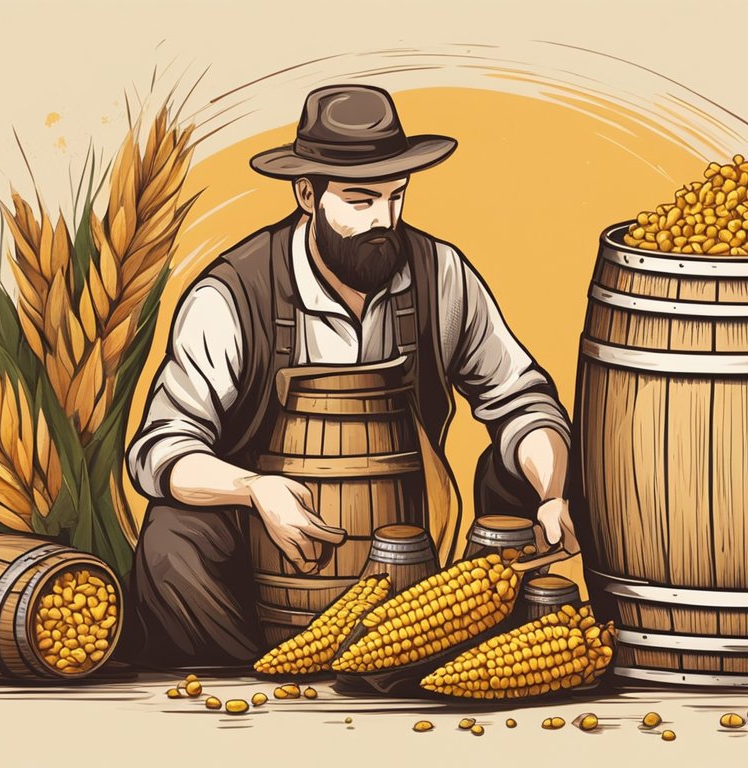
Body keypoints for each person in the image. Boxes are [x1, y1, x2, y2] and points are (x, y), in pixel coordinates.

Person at [120, 84, 577, 668]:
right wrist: (254, 490)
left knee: (524, 467)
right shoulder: (233, 293)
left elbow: (520, 400)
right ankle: (253, 682)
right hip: (269, 567)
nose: (384, 219)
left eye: (396, 196)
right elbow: (161, 451)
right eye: (360, 200)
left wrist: (551, 492)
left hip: (417, 561)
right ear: (307, 194)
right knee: (172, 541)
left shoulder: (441, 274)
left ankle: (470, 652)